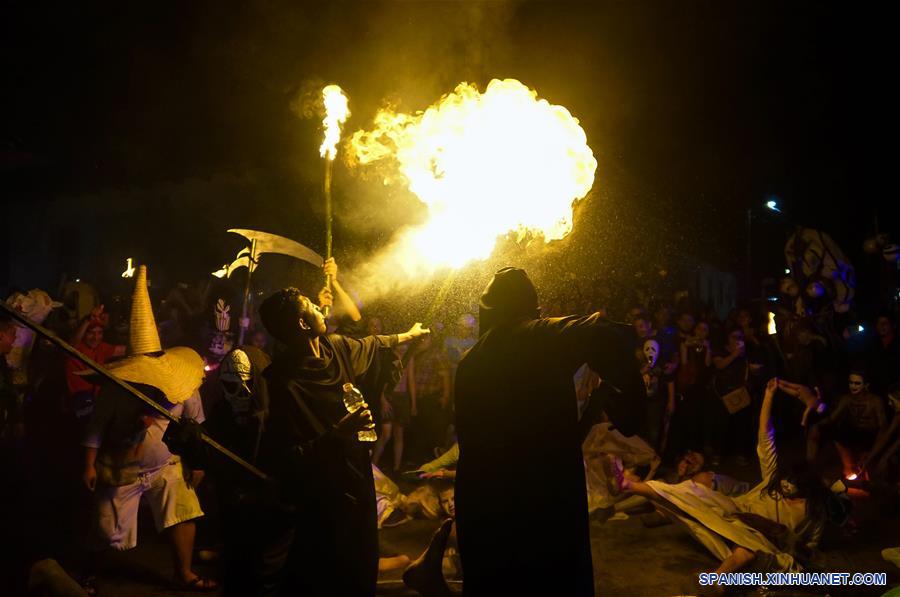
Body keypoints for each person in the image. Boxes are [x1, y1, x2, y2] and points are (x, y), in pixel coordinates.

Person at [453, 267, 643, 596]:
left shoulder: (469, 361)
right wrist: (630, 399)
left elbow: (555, 434)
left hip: (485, 501)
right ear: (530, 308)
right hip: (541, 500)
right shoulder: (540, 334)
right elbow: (606, 331)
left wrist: (599, 400)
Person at [257, 284, 429, 596]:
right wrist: (338, 433)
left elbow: (373, 342)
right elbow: (285, 459)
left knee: (361, 558)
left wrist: (408, 335)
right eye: (310, 304)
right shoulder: (280, 383)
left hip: (357, 476)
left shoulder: (336, 347)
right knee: (327, 570)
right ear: (302, 323)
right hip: (320, 493)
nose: (319, 307)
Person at [79, 266, 214, 593]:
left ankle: (184, 573)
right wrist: (88, 463)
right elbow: (96, 427)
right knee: (107, 531)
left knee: (184, 512)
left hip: (167, 464)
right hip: (120, 465)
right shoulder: (115, 389)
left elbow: (196, 426)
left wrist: (198, 461)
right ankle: (92, 575)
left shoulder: (183, 386)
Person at [612, 378, 828, 574]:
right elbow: (765, 435)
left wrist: (792, 547)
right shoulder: (773, 479)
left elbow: (807, 548)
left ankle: (718, 579)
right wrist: (769, 396)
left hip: (759, 537)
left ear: (806, 486)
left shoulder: (813, 512)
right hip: (735, 511)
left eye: (793, 484)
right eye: (785, 480)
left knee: (749, 548)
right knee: (692, 491)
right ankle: (629, 485)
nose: (786, 486)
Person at [807, 371, 887, 476]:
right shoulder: (847, 399)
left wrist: (874, 450)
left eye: (857, 383)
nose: (853, 386)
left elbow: (883, 427)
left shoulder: (876, 401)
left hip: (870, 435)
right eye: (851, 382)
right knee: (820, 429)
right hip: (854, 432)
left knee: (870, 469)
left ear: (866, 385)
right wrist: (817, 426)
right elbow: (832, 419)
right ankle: (809, 468)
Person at [65, 305, 126, 421]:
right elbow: (71, 346)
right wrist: (88, 319)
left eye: (99, 333)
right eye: (91, 333)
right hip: (78, 404)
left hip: (95, 402)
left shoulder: (102, 347)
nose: (95, 337)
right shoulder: (76, 348)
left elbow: (124, 350)